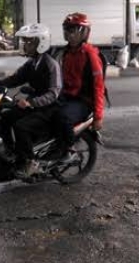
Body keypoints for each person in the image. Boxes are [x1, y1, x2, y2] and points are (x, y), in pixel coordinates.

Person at [0, 23, 61, 178]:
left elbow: (53, 93)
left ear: (41, 43)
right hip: (34, 103)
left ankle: (31, 162)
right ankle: (11, 153)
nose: (25, 45)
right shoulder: (32, 63)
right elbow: (15, 79)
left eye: (29, 42)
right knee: (5, 116)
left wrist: (31, 103)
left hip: (48, 108)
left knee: (21, 126)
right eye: (25, 41)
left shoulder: (51, 65)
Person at [52, 12, 105, 160]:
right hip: (68, 96)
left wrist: (99, 116)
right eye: (67, 30)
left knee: (63, 117)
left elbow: (98, 86)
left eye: (72, 30)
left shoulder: (90, 54)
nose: (69, 34)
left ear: (83, 32)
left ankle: (69, 149)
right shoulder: (66, 52)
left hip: (83, 100)